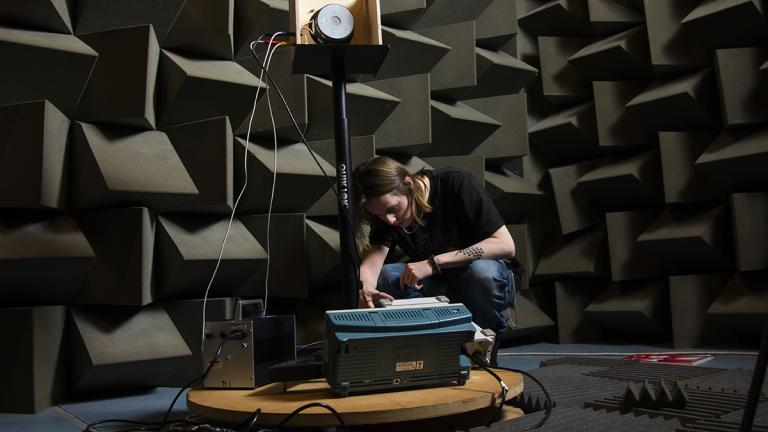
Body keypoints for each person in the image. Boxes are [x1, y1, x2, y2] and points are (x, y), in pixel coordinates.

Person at [352, 156, 519, 338]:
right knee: (386, 276)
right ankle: (438, 338)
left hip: (487, 281)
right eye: (380, 215)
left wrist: (433, 263)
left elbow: (506, 245)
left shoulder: (455, 181)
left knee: (481, 272)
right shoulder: (386, 215)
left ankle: (486, 340)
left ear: (408, 184)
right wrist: (366, 287)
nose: (390, 220)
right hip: (441, 283)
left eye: (393, 209)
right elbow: (372, 263)